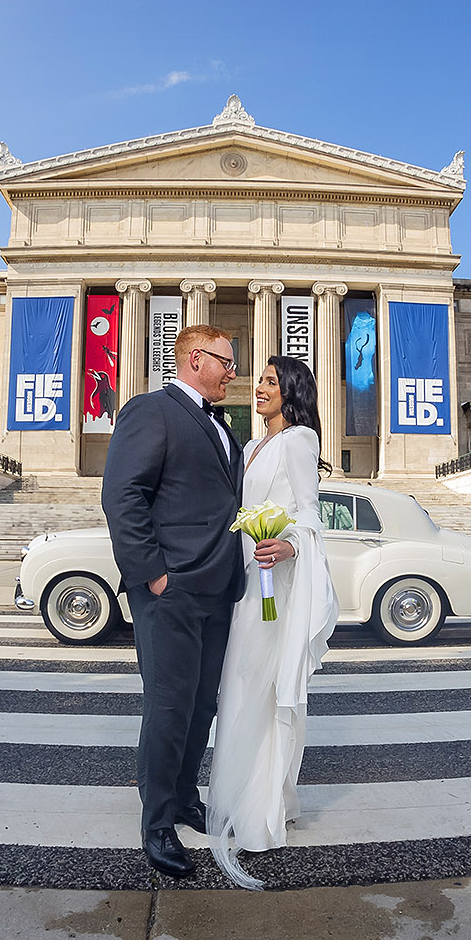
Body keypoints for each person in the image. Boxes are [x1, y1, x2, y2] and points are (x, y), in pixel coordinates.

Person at [101, 323, 245, 879]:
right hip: (172, 590)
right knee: (167, 706)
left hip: (218, 586)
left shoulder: (222, 426)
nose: (233, 372)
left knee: (201, 704)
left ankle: (185, 797)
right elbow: (122, 495)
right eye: (225, 362)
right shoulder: (150, 411)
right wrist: (153, 575)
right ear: (193, 360)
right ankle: (157, 821)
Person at [207, 355, 340, 889]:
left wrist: (289, 543)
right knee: (241, 686)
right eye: (258, 380)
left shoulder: (298, 441)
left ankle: (260, 812)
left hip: (275, 581)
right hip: (247, 577)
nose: (257, 388)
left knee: (265, 688)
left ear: (290, 391)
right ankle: (246, 795)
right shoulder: (251, 445)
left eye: (268, 381)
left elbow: (310, 512)